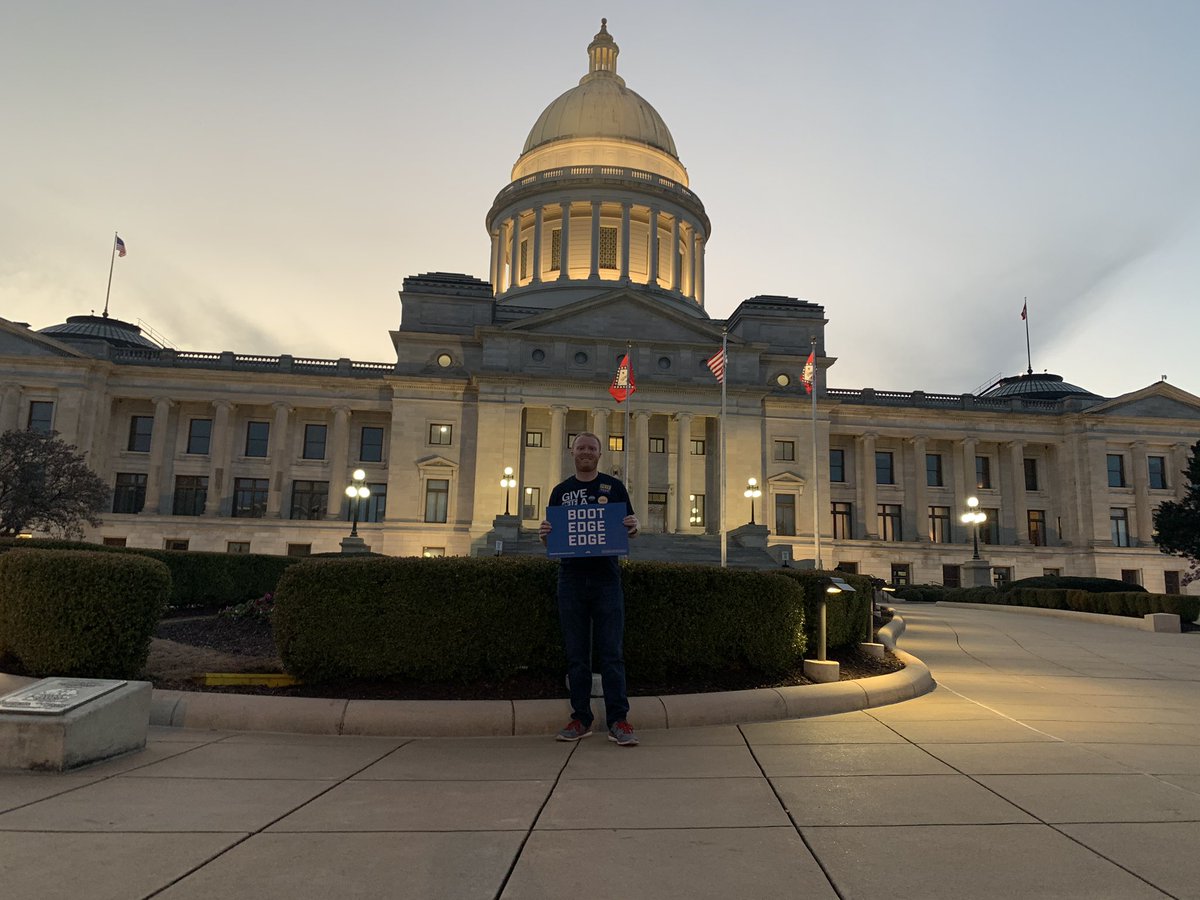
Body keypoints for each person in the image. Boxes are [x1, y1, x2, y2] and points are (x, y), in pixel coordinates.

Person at [539, 431, 641, 746]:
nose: (586, 452)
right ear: (573, 453)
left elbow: (629, 527)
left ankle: (618, 720)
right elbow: (552, 535)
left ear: (599, 454)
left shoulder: (615, 488)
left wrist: (633, 528)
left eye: (591, 448)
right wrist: (545, 535)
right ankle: (580, 718)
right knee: (576, 653)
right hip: (570, 577)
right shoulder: (561, 491)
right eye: (581, 447)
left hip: (606, 578)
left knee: (611, 652)